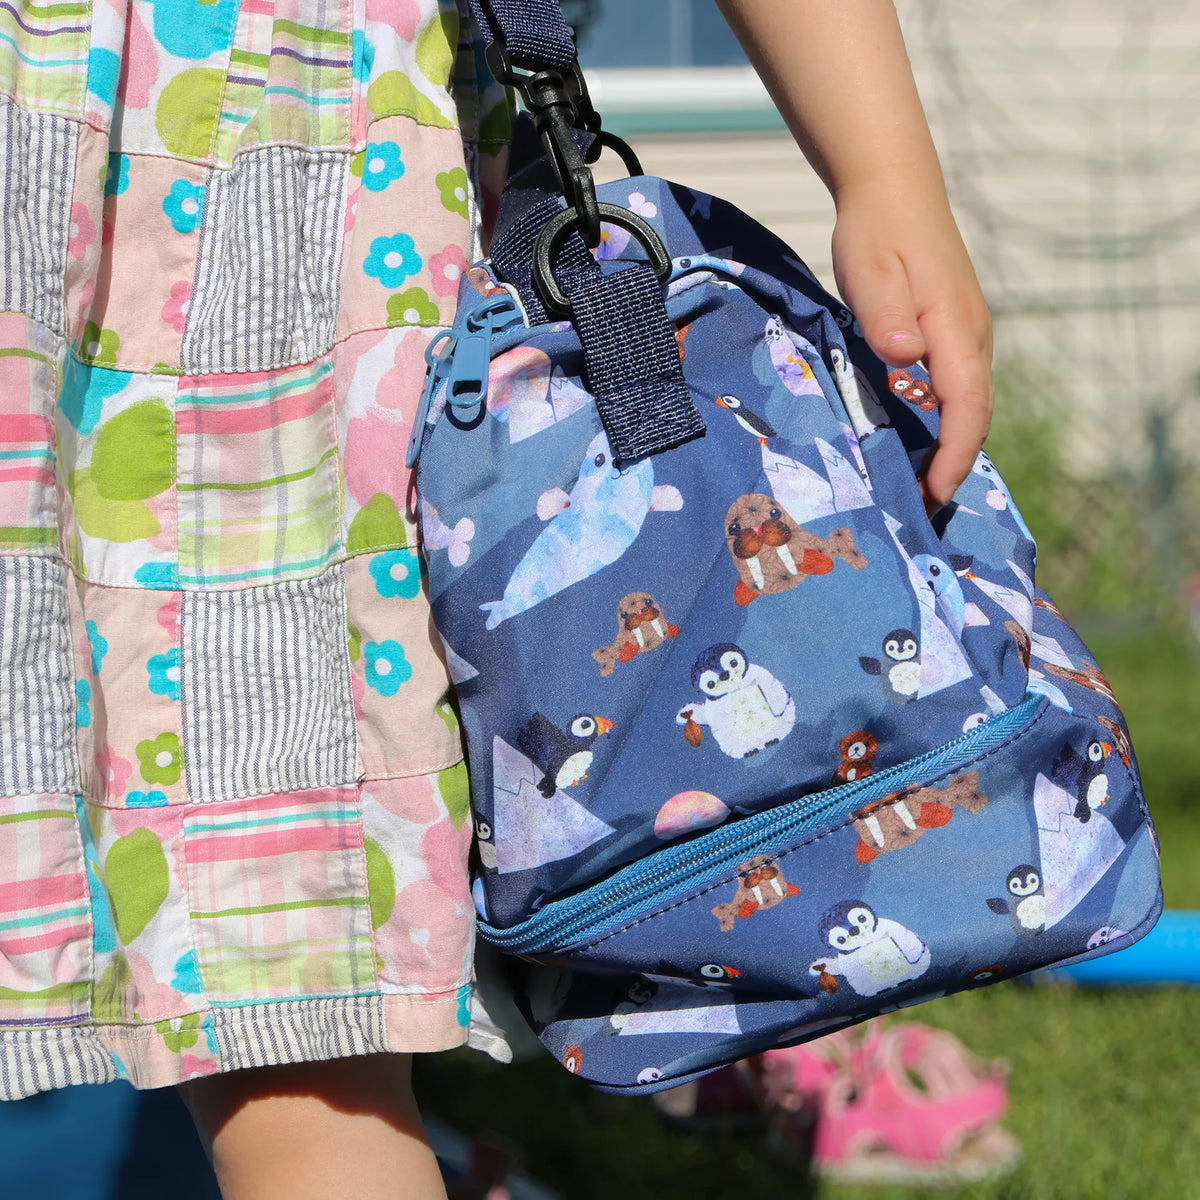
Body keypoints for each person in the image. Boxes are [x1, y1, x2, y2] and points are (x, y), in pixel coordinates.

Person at [0, 4, 991, 1200]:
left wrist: (884, 169)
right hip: (239, 161)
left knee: (300, 1040)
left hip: (241, 185)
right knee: (297, 1031)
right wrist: (882, 166)